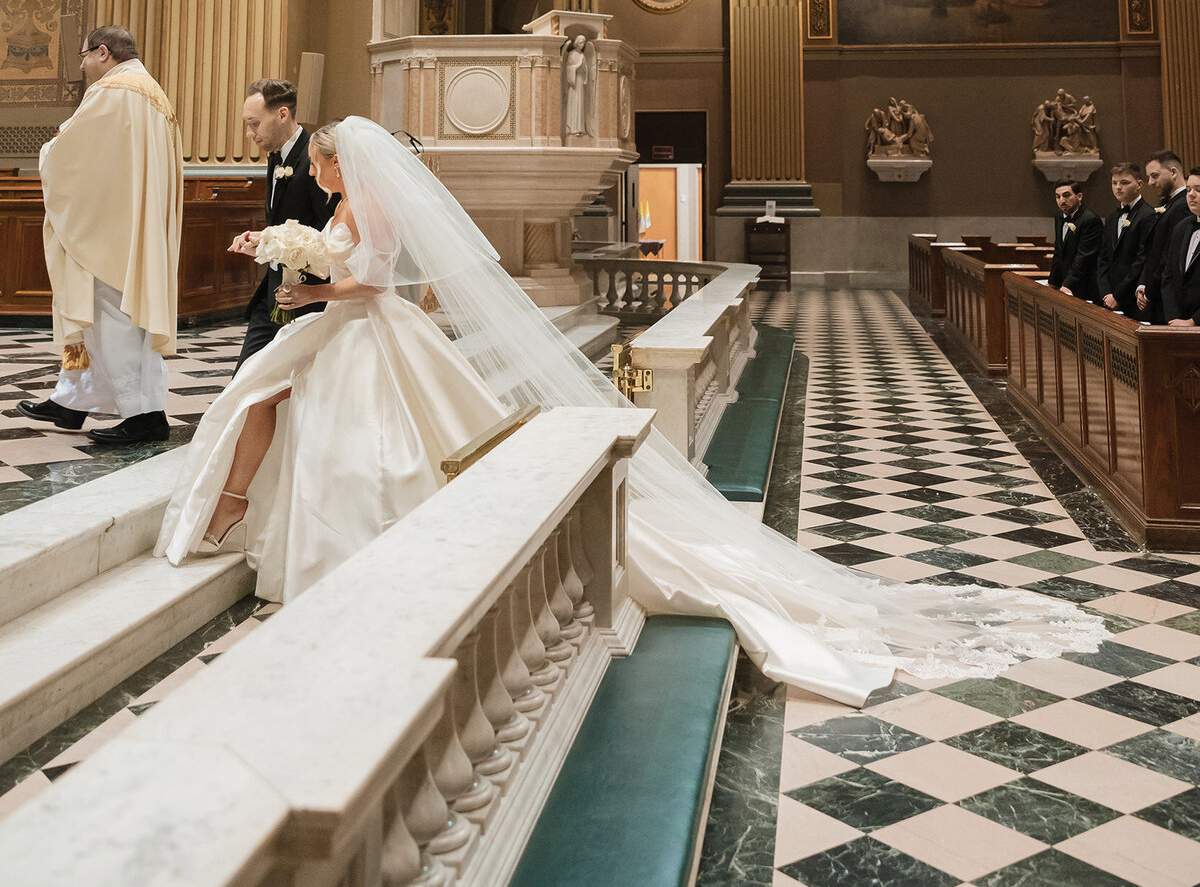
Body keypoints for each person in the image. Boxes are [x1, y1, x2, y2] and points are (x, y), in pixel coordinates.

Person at [158, 116, 1103, 707]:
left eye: (324, 165)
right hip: (356, 333)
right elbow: (357, 271)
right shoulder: (348, 207)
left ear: (339, 161)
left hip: (361, 330)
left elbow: (364, 282)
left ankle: (275, 524)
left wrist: (303, 290)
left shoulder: (362, 213)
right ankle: (248, 512)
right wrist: (298, 267)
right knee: (317, 414)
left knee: (373, 435)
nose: (321, 176)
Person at [18, 25, 182, 445]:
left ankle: (144, 416)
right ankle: (73, 400)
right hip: (130, 221)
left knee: (116, 318)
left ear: (104, 52)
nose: (81, 64)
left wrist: (50, 148)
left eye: (84, 54)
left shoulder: (115, 92)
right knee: (98, 314)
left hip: (112, 230)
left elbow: (70, 150)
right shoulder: (152, 93)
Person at [230, 79, 336, 368]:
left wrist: (279, 246)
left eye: (254, 124)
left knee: (273, 388)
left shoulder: (315, 159)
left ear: (282, 114)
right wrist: (263, 241)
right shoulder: (276, 156)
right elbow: (288, 222)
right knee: (245, 383)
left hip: (306, 300)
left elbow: (330, 231)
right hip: (272, 292)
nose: (250, 133)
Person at [1136, 150, 1192, 323]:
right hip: (1155, 290)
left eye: (1155, 176)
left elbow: (1169, 255)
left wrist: (1149, 289)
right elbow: (1153, 249)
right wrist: (1142, 283)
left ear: (1174, 172)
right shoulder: (1168, 203)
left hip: (1168, 297)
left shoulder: (1184, 205)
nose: (1150, 182)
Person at [1096, 162, 1156, 316]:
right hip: (1108, 298)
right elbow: (1103, 258)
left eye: (1124, 183)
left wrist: (1118, 295)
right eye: (1114, 183)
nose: (1118, 187)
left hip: (1133, 299)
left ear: (1139, 184)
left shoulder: (1149, 215)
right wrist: (1106, 293)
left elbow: (1141, 259)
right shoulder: (1111, 217)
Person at [1047, 179, 1102, 303]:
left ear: (1079, 196)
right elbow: (1058, 252)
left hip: (1085, 285)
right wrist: (1052, 283)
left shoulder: (1090, 220)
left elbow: (1084, 257)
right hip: (1066, 282)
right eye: (1058, 197)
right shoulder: (1059, 217)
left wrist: (1067, 285)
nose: (1062, 200)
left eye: (1066, 195)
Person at [1161, 167, 1200, 325]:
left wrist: (1193, 321)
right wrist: (1173, 317)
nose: (1190, 194)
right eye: (1189, 189)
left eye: (1198, 189)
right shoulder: (1182, 227)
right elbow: (1168, 275)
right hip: (1178, 322)